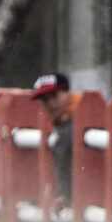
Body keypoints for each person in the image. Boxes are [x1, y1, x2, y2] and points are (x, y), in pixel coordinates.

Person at [32, 72, 82, 214]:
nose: (51, 103)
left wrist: (63, 194)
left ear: (68, 92)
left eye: (54, 96)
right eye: (45, 100)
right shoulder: (61, 121)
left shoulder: (74, 121)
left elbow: (64, 150)